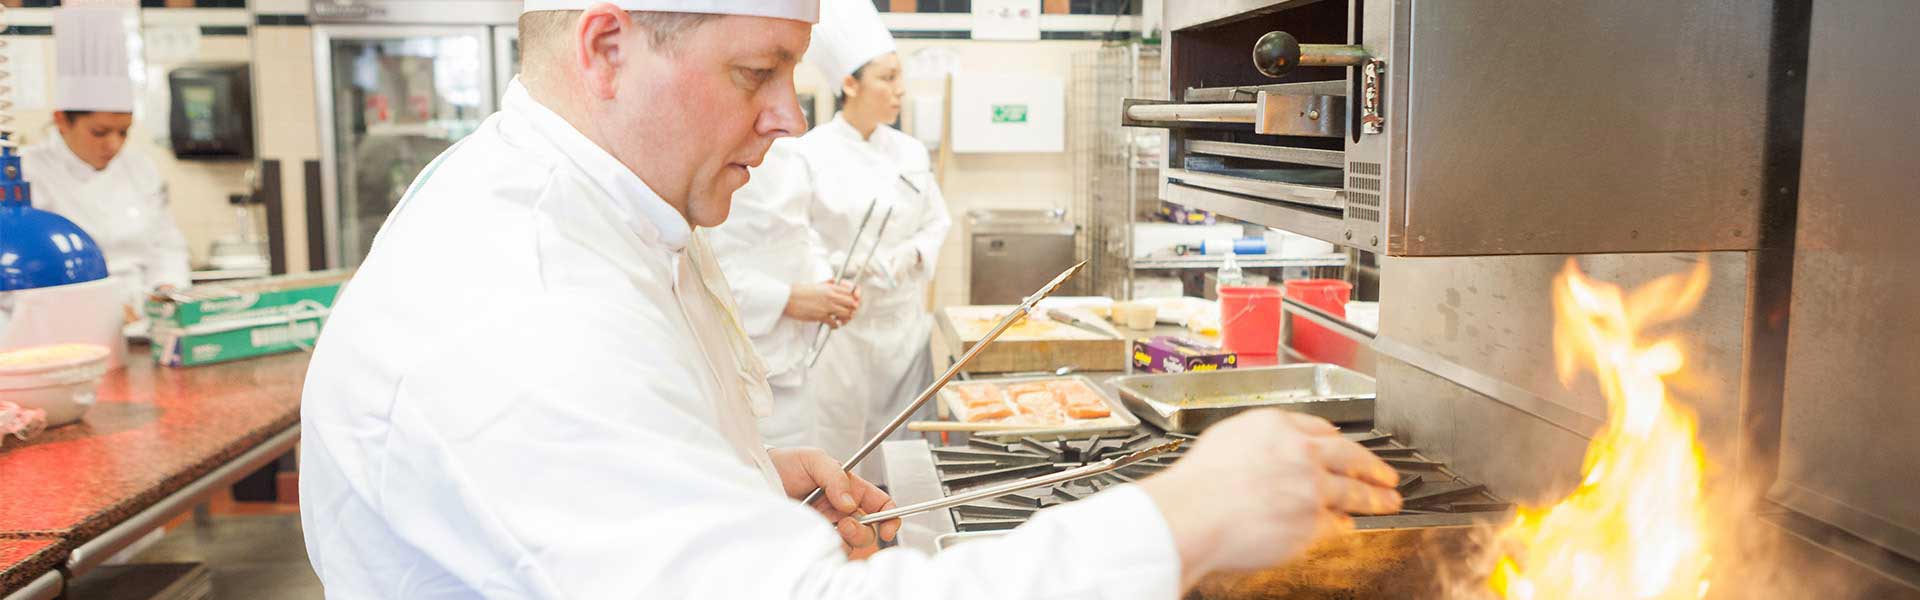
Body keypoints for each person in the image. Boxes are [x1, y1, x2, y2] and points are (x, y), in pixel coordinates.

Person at [298, 1, 1402, 598]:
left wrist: (733, 478)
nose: (788, 118)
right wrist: (1181, 518)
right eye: (755, 72)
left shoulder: (584, 210)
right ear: (607, 46)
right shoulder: (524, 308)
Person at [23, 6, 190, 311]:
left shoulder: (140, 167)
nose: (114, 144)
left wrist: (167, 288)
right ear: (62, 120)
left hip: (144, 314)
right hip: (68, 313)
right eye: (99, 132)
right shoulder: (29, 172)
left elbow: (166, 244)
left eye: (124, 131)